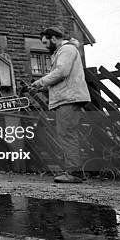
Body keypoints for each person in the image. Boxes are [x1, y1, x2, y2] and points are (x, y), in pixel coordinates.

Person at [31, 26, 91, 183]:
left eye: (46, 42)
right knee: (66, 134)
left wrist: (39, 82)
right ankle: (73, 171)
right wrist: (40, 87)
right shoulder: (62, 52)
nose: (45, 46)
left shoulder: (66, 50)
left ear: (54, 38)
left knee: (67, 134)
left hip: (69, 98)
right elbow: (60, 77)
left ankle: (74, 173)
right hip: (66, 98)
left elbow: (61, 72)